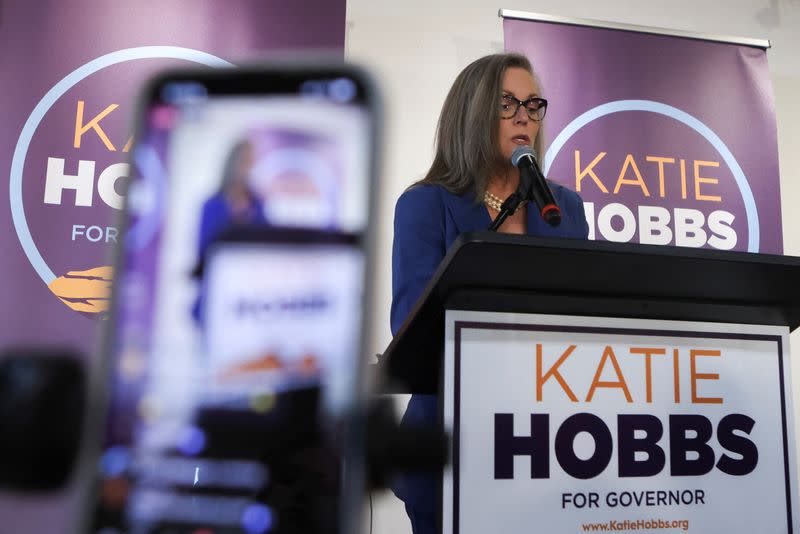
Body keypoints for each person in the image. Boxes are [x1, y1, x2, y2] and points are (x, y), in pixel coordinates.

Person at [390, 52, 590, 534]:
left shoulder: (565, 208)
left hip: (553, 447)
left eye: (533, 104)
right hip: (453, 447)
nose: (524, 116)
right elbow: (412, 328)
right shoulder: (425, 204)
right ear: (474, 112)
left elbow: (588, 318)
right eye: (506, 104)